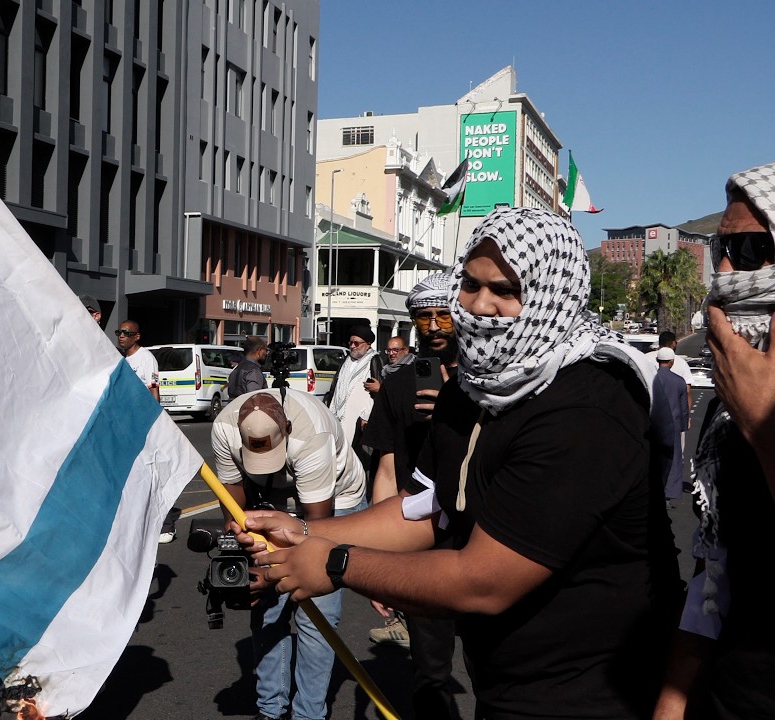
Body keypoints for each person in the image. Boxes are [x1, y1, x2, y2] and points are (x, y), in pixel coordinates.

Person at [237, 208, 682, 720]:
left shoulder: (586, 405)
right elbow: (423, 509)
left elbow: (484, 581)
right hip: (504, 681)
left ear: (552, 296)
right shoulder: (469, 392)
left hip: (598, 691)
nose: (480, 306)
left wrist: (337, 564)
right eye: (470, 284)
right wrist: (302, 533)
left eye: (505, 290)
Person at [655, 158, 775, 720]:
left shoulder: (751, 407)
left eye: (754, 250)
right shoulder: (733, 399)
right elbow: (714, 573)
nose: (731, 271)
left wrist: (767, 430)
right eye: (723, 250)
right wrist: (671, 701)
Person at [212, 388, 368, 720]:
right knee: (267, 610)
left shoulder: (311, 434)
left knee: (315, 615)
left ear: (287, 430)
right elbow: (233, 506)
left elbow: (315, 532)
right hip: (270, 500)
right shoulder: (224, 428)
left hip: (332, 504)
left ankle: (308, 715)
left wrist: (273, 572)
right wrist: (246, 550)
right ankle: (270, 710)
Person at [359, 272, 464, 719]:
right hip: (421, 541)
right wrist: (379, 559)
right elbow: (386, 469)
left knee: (497, 663)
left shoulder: (489, 378)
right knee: (430, 671)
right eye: (424, 317)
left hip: (483, 538)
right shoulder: (398, 383)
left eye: (444, 315)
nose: (435, 326)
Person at [324, 325, 380, 470]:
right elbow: (336, 387)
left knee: (354, 456)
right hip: (339, 414)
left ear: (368, 344)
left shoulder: (374, 360)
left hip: (360, 418)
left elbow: (377, 391)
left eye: (357, 343)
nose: (353, 346)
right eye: (351, 343)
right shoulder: (346, 361)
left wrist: (367, 416)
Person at [653, 347, 689, 509]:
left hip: (653, 424)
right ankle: (667, 497)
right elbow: (683, 408)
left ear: (657, 361)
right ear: (672, 362)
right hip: (672, 425)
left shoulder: (650, 378)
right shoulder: (678, 381)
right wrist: (683, 426)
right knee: (673, 460)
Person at [116, 320, 159, 400]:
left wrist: (156, 407)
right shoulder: (120, 358)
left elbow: (153, 387)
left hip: (142, 406)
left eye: (126, 333)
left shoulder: (147, 357)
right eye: (119, 332)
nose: (121, 336)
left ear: (137, 336)